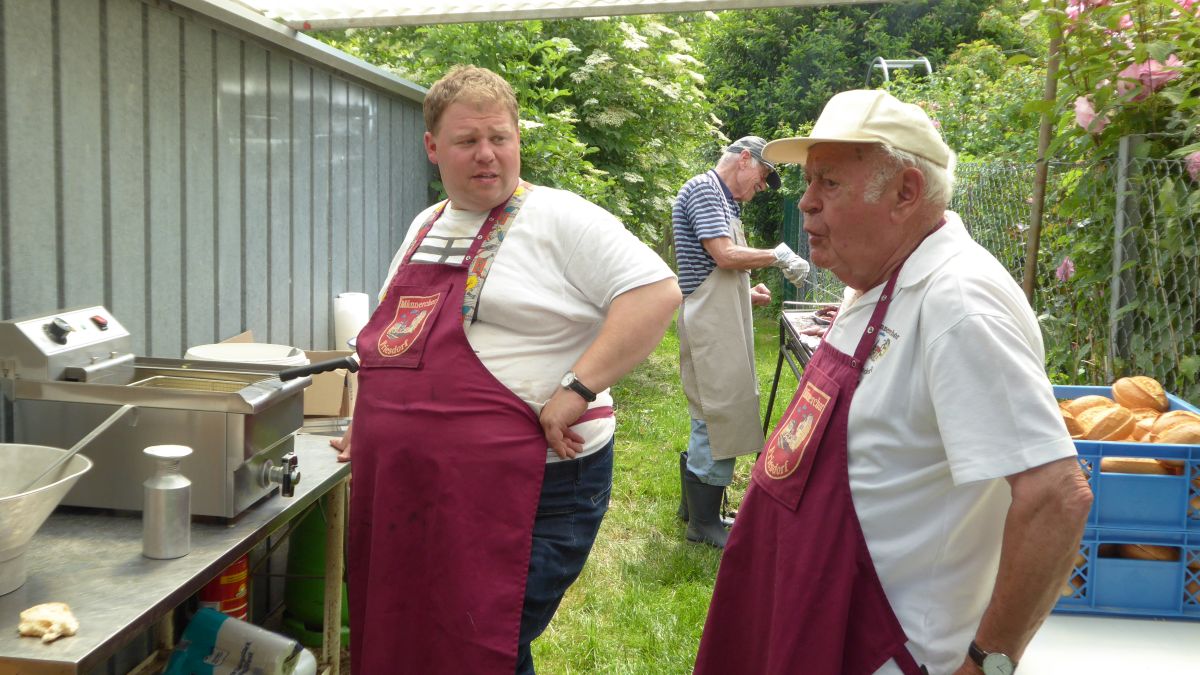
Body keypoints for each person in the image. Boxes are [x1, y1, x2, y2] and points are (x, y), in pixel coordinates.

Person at [692, 89, 1093, 674]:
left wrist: (987, 663)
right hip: (817, 616)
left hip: (888, 649)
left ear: (906, 192)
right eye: (809, 180)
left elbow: (1056, 496)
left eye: (829, 183)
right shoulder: (880, 278)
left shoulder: (959, 303)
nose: (806, 202)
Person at [334, 65, 681, 674]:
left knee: (481, 640)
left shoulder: (561, 218)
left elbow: (655, 293)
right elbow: (394, 339)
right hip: (426, 486)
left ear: (518, 139)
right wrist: (367, 421)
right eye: (468, 140)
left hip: (535, 484)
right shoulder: (426, 225)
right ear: (432, 147)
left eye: (500, 137)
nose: (487, 154)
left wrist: (577, 388)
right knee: (433, 634)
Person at [672, 135, 810, 548]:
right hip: (709, 324)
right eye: (764, 175)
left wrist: (744, 294)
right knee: (718, 412)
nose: (762, 186)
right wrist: (779, 256)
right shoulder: (704, 190)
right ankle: (703, 524)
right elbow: (724, 255)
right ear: (745, 159)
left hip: (718, 316)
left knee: (713, 409)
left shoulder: (725, 201)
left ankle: (695, 510)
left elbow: (705, 269)